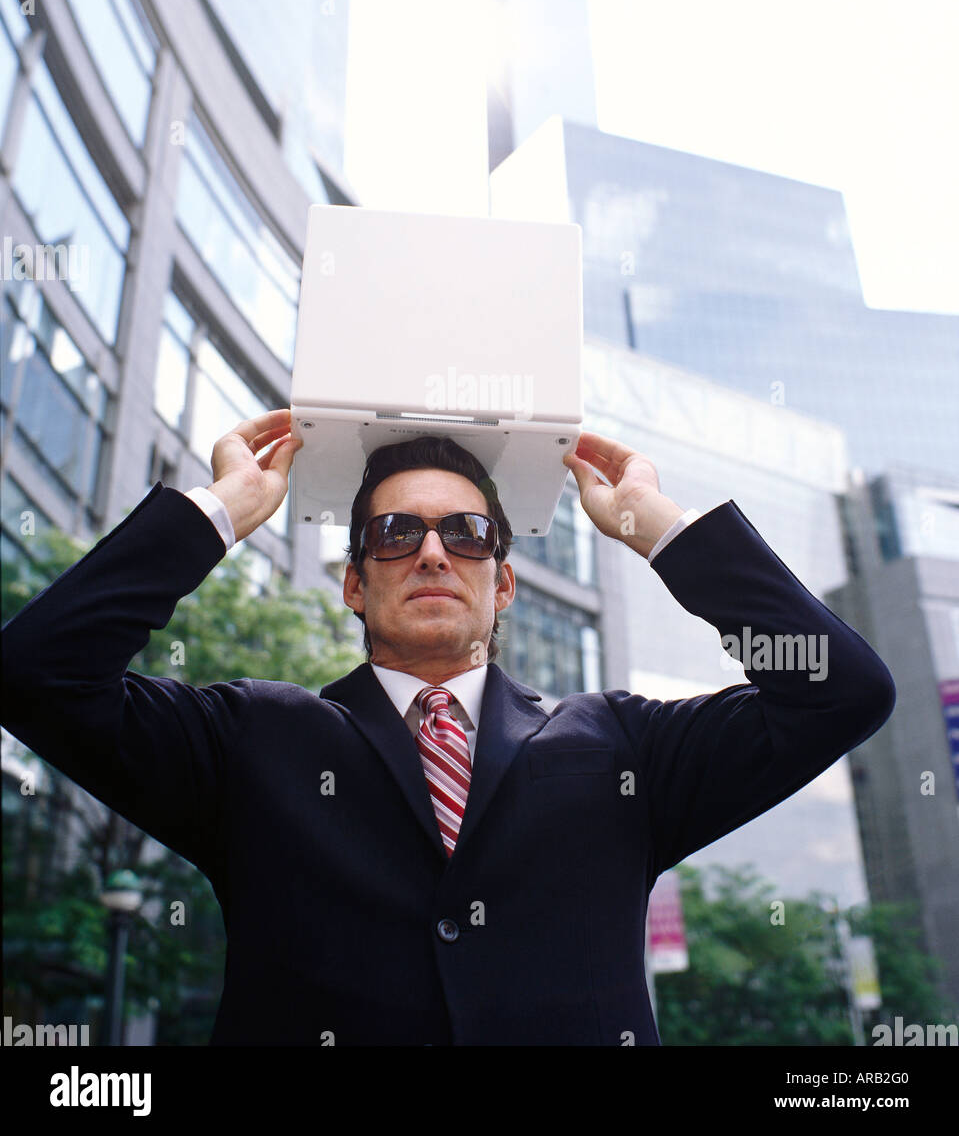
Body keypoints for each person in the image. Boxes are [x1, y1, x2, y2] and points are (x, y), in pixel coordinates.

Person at [0, 408, 895, 1045]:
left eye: (467, 534)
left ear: (502, 584)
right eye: (392, 533)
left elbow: (840, 690)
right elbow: (35, 673)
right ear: (353, 584)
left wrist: (657, 529)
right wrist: (221, 511)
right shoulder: (251, 739)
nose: (431, 552)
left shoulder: (623, 747)